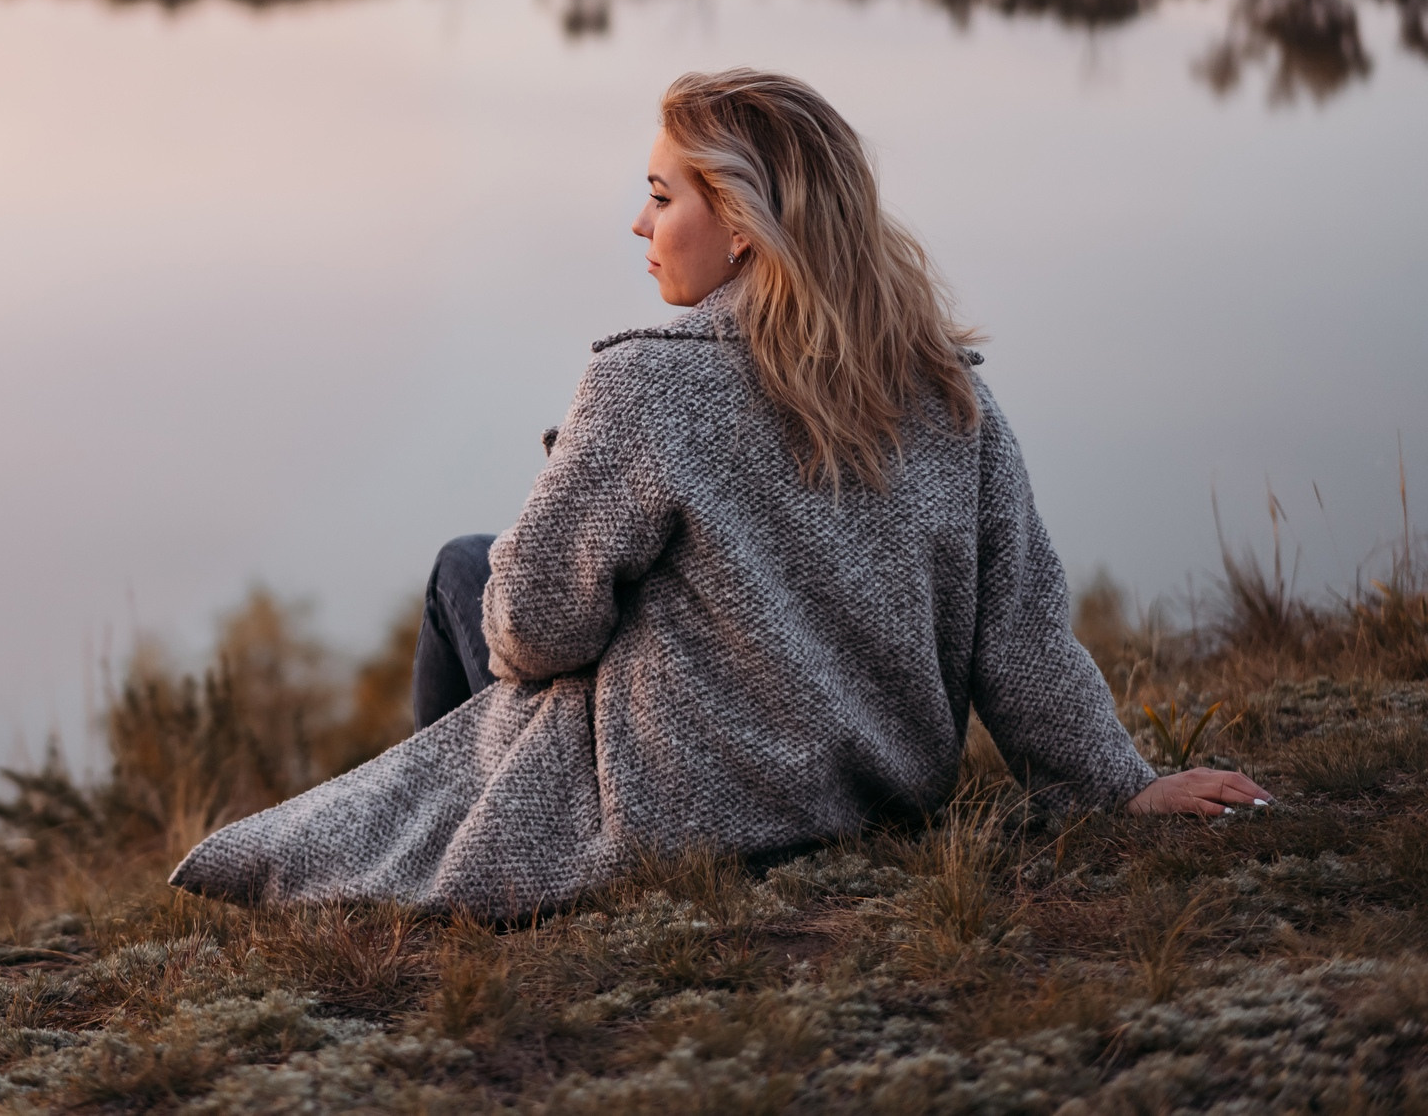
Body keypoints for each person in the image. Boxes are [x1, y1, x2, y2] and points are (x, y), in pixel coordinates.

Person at [170, 69, 1266, 916]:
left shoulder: (646, 377)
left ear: (740, 220)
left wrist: (552, 536)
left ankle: (484, 849)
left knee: (471, 566)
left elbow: (536, 632)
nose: (639, 227)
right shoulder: (948, 394)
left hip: (683, 810)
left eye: (660, 196)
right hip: (875, 799)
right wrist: (1118, 785)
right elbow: (1019, 645)